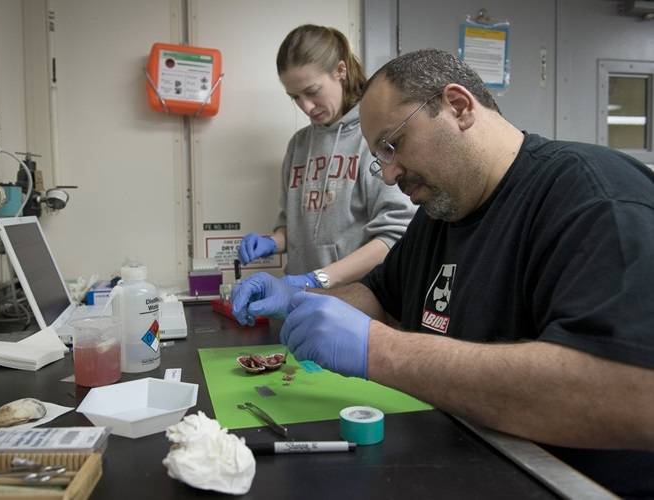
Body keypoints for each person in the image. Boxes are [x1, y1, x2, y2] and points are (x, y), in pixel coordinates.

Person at [231, 49, 654, 496]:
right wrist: (300, 299)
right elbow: (379, 298)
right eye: (380, 158)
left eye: (393, 145)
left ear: (458, 106)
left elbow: (633, 392)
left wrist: (382, 352)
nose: (390, 175)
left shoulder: (594, 198)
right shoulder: (440, 213)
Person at [237, 24, 414, 292]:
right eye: (294, 97)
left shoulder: (372, 138)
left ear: (340, 71)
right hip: (300, 299)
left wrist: (319, 278)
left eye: (312, 91)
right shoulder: (299, 144)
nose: (306, 107)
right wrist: (273, 241)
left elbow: (395, 236)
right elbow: (290, 227)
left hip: (360, 302)